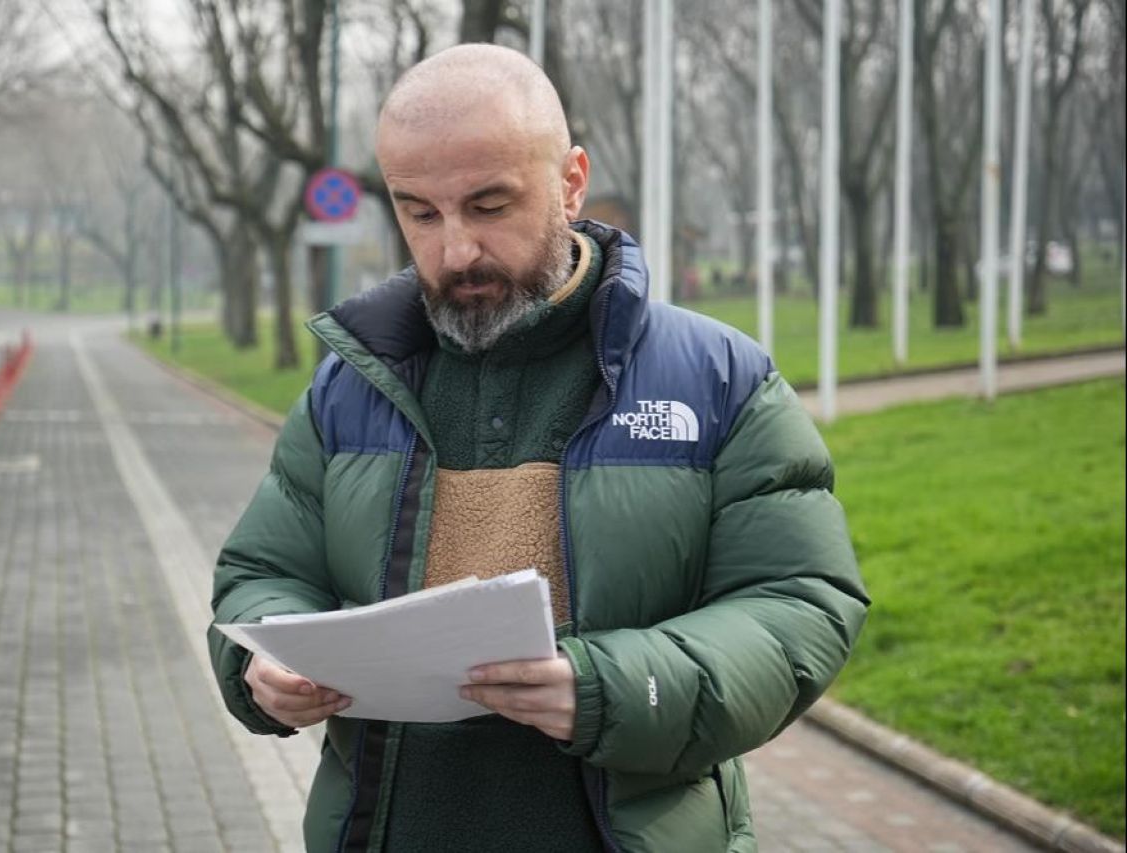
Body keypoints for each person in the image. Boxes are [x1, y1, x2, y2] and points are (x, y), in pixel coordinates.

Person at [208, 43, 868, 853]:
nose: (455, 251)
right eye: (419, 212)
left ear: (572, 181)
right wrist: (261, 667)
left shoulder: (719, 378)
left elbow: (800, 600)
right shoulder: (349, 385)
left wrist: (613, 688)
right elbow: (262, 575)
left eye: (489, 205)